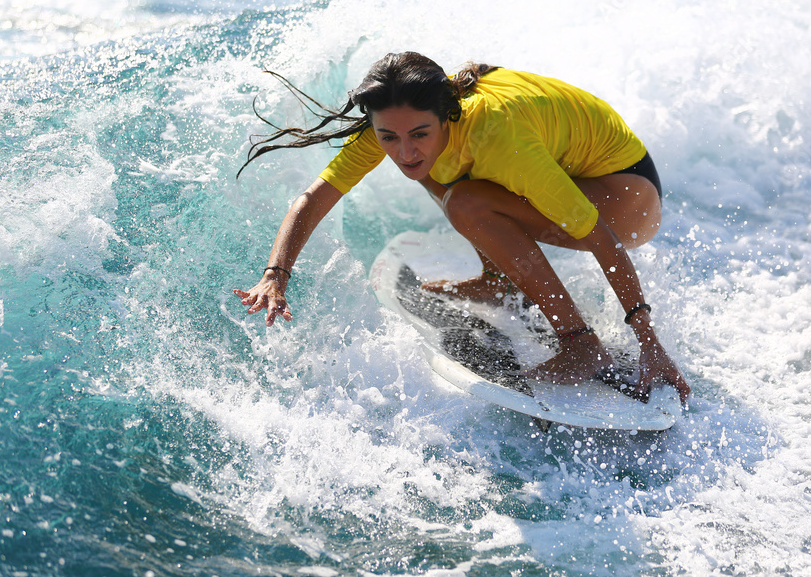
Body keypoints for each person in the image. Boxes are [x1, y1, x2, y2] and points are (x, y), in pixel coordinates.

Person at [234, 52, 691, 404]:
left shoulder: (499, 138)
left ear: (447, 114)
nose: (403, 149)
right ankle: (499, 280)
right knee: (435, 170)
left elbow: (601, 240)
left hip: (628, 197)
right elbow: (313, 198)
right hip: (573, 170)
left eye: (418, 134)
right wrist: (276, 274)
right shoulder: (409, 119)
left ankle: (579, 341)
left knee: (468, 201)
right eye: (388, 137)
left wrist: (649, 342)